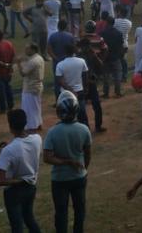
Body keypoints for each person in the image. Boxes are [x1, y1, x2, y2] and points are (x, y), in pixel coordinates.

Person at [44, 91, 92, 233]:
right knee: (80, 210)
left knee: (61, 213)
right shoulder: (84, 130)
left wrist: (65, 162)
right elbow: (88, 155)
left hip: (59, 179)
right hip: (79, 176)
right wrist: (83, 169)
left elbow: (47, 158)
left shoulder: (52, 132)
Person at [0, 109, 43, 233]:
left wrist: (18, 181)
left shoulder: (8, 151)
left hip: (14, 192)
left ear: (10, 126)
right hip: (31, 187)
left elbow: (0, 180)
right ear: (25, 122)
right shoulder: (37, 139)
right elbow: (24, 148)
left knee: (17, 226)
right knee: (29, 218)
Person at [17, 44, 45, 132]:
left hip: (30, 88)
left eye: (27, 49)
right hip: (37, 86)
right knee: (36, 107)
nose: (25, 51)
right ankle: (38, 124)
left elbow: (23, 73)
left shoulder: (33, 61)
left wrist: (18, 63)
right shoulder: (39, 58)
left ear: (33, 50)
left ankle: (32, 127)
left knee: (29, 109)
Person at [0, 30, 15, 114]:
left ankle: (3, 108)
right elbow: (13, 56)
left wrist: (5, 65)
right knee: (8, 88)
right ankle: (11, 105)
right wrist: (10, 66)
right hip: (7, 71)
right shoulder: (9, 44)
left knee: (0, 91)